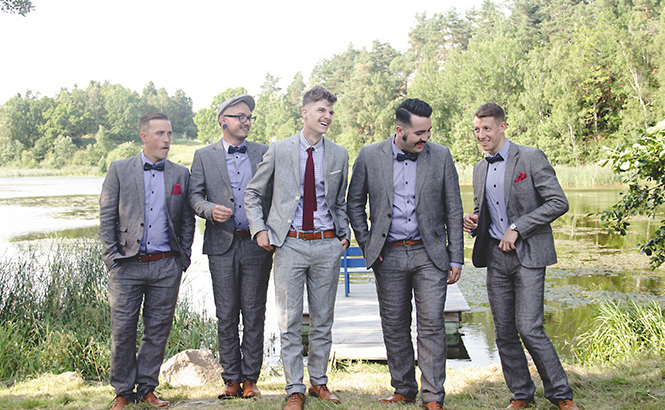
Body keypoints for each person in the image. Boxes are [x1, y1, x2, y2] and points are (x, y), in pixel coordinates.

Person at [347, 98, 463, 410]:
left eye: (429, 131)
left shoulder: (440, 156)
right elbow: (354, 204)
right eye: (419, 133)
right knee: (395, 324)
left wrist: (456, 257)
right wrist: (368, 243)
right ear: (400, 130)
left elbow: (454, 208)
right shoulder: (370, 156)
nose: (426, 138)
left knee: (431, 326)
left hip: (431, 255)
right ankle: (403, 388)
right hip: (389, 256)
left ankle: (433, 396)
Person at [463, 102, 580, 410]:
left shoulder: (530, 157)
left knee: (529, 327)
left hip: (528, 254)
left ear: (503, 126)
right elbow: (485, 212)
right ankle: (520, 395)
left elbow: (558, 202)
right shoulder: (479, 169)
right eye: (477, 130)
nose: (481, 135)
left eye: (487, 128)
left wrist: (518, 227)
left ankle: (561, 394)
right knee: (503, 331)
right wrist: (473, 221)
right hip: (495, 258)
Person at [245, 85, 350, 410]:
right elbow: (252, 193)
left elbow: (339, 202)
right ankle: (294, 388)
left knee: (323, 319)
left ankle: (319, 382)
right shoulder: (280, 150)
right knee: (289, 320)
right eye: (321, 110)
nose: (327, 117)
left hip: (326, 246)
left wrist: (342, 236)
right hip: (289, 245)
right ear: (304, 112)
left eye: (330, 112)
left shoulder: (338, 154)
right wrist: (259, 229)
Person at [99, 112, 195, 410]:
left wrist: (183, 258)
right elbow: (106, 217)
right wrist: (112, 258)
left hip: (167, 265)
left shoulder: (181, 174)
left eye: (169, 133)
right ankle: (123, 391)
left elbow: (187, 220)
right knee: (123, 329)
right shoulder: (119, 170)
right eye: (160, 134)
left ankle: (147, 389)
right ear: (144, 136)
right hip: (127, 265)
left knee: (158, 329)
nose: (167, 139)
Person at [188, 94, 272, 399]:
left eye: (249, 117)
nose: (246, 122)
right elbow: (194, 196)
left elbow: (275, 196)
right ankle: (231, 380)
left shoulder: (264, 152)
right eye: (240, 117)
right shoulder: (203, 156)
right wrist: (210, 210)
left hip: (256, 245)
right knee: (226, 315)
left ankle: (250, 379)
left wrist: (268, 231)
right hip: (221, 245)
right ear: (223, 120)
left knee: (254, 313)